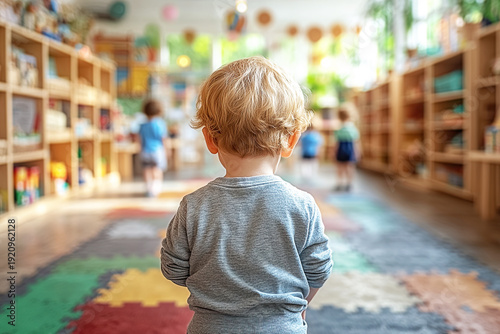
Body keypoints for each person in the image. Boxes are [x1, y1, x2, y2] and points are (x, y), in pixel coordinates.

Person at [161, 56, 333, 334]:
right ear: (291, 141)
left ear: (210, 140)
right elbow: (319, 270)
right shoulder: (302, 205)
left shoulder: (193, 207)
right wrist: (299, 306)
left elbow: (173, 269)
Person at [138, 99, 168, 197]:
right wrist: (167, 151)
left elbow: (140, 139)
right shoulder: (160, 123)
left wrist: (140, 150)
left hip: (145, 151)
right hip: (157, 151)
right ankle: (156, 188)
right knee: (157, 169)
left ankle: (148, 188)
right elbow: (163, 138)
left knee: (147, 169)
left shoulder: (142, 125)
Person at [333, 106, 360, 191]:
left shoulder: (339, 129)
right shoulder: (353, 129)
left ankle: (340, 183)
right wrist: (357, 152)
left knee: (340, 167)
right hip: (350, 149)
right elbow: (356, 142)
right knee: (349, 167)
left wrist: (334, 152)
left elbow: (336, 143)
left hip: (341, 149)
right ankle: (349, 183)